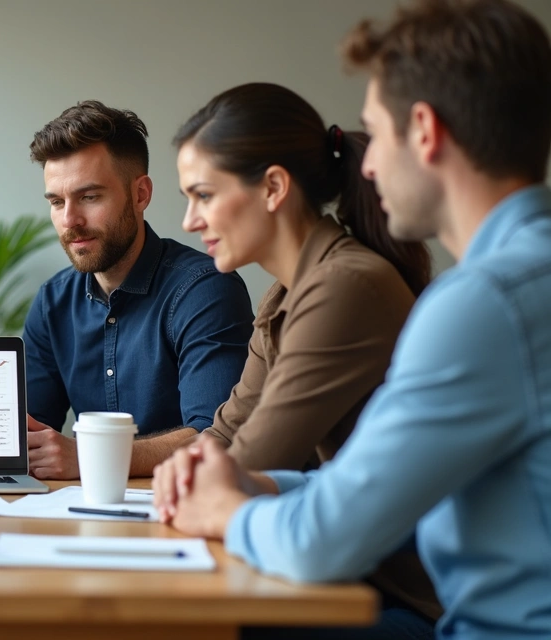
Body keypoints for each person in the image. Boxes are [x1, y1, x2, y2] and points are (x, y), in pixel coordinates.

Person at [154, 1, 551, 638]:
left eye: (377, 133)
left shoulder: (482, 305)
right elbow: (348, 484)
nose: (364, 165)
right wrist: (249, 488)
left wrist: (229, 506)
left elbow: (322, 540)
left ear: (424, 130)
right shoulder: (516, 284)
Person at [172, 82, 440, 629]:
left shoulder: (344, 286)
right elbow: (227, 435)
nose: (189, 220)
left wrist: (202, 475)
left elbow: (248, 462)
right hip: (346, 575)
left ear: (273, 187)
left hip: (399, 601)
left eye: (203, 195)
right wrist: (189, 468)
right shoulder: (287, 293)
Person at [23, 100, 254, 480]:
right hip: (83, 507)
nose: (70, 220)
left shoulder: (205, 290)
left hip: (186, 504)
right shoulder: (53, 302)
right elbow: (28, 433)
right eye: (57, 202)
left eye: (89, 197)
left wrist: (94, 458)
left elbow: (216, 437)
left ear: (140, 194)